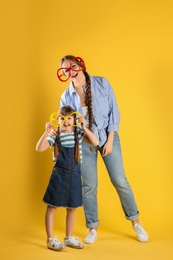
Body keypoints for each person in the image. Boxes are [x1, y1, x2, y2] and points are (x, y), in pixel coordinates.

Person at [58, 55, 149, 244]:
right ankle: (92, 227)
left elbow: (114, 112)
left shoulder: (102, 84)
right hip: (84, 142)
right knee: (89, 186)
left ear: (81, 65)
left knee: (120, 180)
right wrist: (59, 129)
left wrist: (110, 140)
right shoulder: (66, 96)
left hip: (108, 137)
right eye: (66, 70)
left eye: (73, 67)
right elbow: (66, 124)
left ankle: (136, 222)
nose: (71, 72)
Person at [36, 105, 99, 251]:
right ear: (57, 120)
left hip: (75, 176)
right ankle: (50, 239)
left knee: (72, 208)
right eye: (62, 118)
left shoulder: (78, 134)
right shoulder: (55, 135)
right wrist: (46, 132)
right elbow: (39, 148)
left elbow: (95, 142)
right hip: (59, 176)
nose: (65, 121)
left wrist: (85, 126)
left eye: (69, 118)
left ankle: (68, 237)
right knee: (52, 207)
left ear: (74, 120)